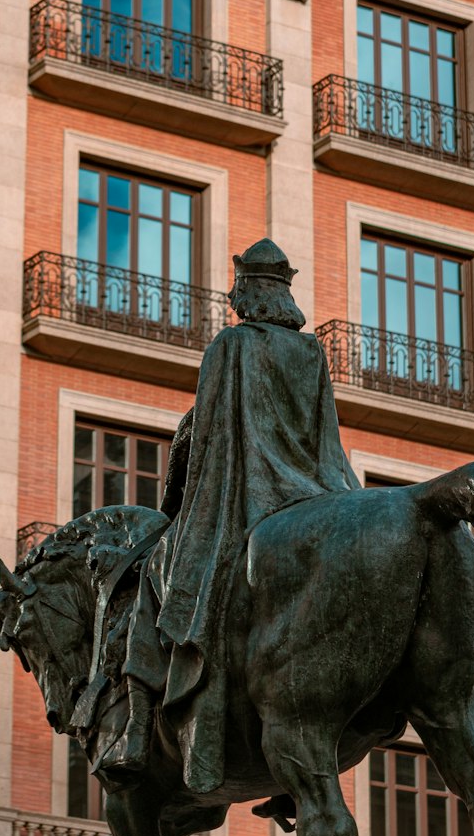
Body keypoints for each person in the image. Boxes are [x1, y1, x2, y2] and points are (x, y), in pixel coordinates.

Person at [95, 237, 359, 793]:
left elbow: (208, 441)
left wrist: (173, 512)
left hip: (241, 506)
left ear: (247, 288)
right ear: (283, 292)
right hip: (312, 499)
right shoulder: (311, 353)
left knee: (151, 585)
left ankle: (137, 727)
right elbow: (326, 444)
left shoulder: (230, 346)